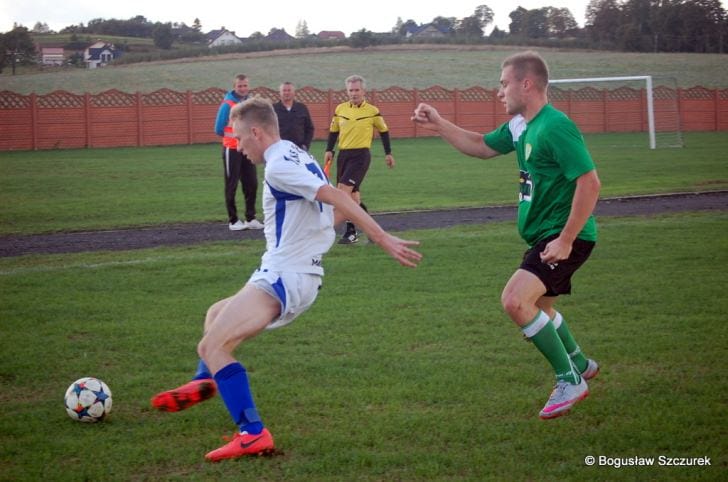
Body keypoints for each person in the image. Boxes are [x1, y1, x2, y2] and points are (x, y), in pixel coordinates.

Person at [151, 97, 422, 462]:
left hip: (285, 274)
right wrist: (340, 219)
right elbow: (330, 204)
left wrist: (381, 236)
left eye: (240, 138)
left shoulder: (279, 165)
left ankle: (252, 433)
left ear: (257, 132)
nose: (238, 146)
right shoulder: (297, 153)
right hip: (291, 272)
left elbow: (329, 195)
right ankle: (205, 379)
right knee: (216, 313)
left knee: (212, 346)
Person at [412, 50, 601, 420]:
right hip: (544, 237)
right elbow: (481, 146)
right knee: (542, 306)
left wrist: (564, 240)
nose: (499, 91)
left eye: (504, 84)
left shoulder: (554, 125)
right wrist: (439, 124)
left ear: (526, 84)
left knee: (516, 300)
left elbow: (590, 182)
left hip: (564, 237)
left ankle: (570, 379)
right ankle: (580, 362)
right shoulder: (520, 126)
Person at [323, 75, 395, 244]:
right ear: (347, 91)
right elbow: (334, 130)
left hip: (361, 156)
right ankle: (373, 233)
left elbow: (384, 131)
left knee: (342, 193)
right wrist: (329, 150)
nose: (353, 93)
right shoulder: (340, 109)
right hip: (343, 156)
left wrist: (388, 153)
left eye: (356, 90)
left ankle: (347, 232)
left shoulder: (372, 111)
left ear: (363, 91)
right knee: (354, 198)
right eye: (350, 90)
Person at [214, 74, 263, 231]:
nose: (243, 88)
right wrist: (235, 138)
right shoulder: (227, 104)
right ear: (234, 87)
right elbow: (219, 128)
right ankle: (233, 220)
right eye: (239, 86)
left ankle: (251, 218)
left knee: (252, 183)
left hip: (248, 149)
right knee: (232, 184)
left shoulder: (250, 104)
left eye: (245, 85)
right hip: (232, 149)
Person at [273, 81, 315, 151]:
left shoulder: (302, 108)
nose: (286, 93)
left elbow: (309, 128)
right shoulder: (273, 109)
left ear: (294, 92)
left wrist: (306, 145)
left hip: (299, 148)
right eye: (284, 90)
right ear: (280, 93)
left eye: (289, 90)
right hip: (279, 149)